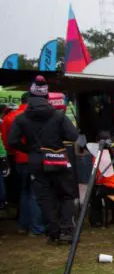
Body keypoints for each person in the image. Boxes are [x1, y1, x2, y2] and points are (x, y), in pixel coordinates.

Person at [9, 76, 80, 244]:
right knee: (66, 195)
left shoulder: (21, 118)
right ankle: (66, 229)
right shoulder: (58, 116)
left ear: (31, 97)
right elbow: (73, 136)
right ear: (47, 97)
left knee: (44, 197)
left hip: (36, 161)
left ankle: (53, 233)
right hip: (58, 158)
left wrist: (31, 150)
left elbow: (12, 141)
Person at [1, 92, 45, 236]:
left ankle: (23, 225)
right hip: (35, 158)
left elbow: (8, 142)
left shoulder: (8, 118)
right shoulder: (37, 117)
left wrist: (14, 153)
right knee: (35, 193)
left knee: (24, 192)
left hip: (19, 159)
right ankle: (36, 227)